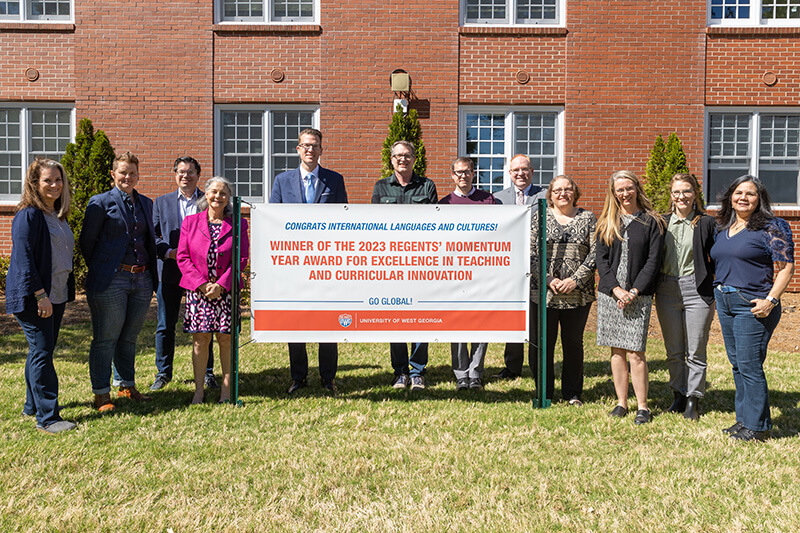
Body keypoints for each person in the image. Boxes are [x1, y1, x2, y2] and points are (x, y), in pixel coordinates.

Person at [710, 175, 794, 442]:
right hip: (725, 300)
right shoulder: (723, 227)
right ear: (730, 197)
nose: (743, 198)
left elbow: (786, 267)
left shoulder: (771, 227)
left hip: (754, 304)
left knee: (749, 364)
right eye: (738, 193)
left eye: (750, 194)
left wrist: (771, 300)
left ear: (760, 199)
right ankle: (744, 420)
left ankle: (758, 428)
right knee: (737, 364)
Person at [270, 128, 347, 394]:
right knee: (297, 321)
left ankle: (328, 378)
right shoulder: (282, 181)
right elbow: (273, 222)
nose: (310, 150)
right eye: (305, 145)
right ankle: (298, 377)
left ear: (321, 150)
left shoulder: (334, 181)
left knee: (328, 321)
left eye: (314, 145)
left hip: (327, 263)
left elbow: (343, 221)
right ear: (297, 149)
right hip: (293, 263)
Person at [80, 152, 158, 412]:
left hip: (142, 279)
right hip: (111, 279)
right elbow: (87, 243)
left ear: (138, 175)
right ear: (113, 174)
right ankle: (101, 393)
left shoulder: (146, 203)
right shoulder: (100, 202)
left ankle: (126, 384)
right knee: (106, 338)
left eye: (133, 173)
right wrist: (106, 269)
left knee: (129, 337)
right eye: (123, 172)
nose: (128, 177)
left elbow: (150, 241)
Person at [5, 159, 77, 433]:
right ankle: (48, 418)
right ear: (34, 183)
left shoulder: (56, 214)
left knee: (39, 351)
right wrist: (40, 295)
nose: (55, 185)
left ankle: (31, 406)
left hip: (55, 294)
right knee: (42, 353)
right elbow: (23, 259)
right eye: (48, 180)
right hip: (34, 296)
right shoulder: (29, 215)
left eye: (59, 180)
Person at [595, 170, 665, 425]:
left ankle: (643, 406)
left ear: (637, 188)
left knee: (636, 352)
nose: (625, 193)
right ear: (613, 193)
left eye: (629, 188)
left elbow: (653, 262)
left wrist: (633, 292)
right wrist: (615, 290)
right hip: (611, 296)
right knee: (617, 351)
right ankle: (621, 402)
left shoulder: (652, 222)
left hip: (639, 295)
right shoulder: (606, 222)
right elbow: (601, 262)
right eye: (619, 190)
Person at [371, 140, 437, 391]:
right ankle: (400, 371)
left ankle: (418, 370)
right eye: (398, 156)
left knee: (421, 314)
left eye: (407, 155)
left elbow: (435, 224)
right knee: (396, 316)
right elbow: (374, 225)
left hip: (421, 263)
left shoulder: (427, 186)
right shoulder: (380, 187)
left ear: (414, 159)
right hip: (392, 264)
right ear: (391, 160)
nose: (403, 160)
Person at [177, 176, 249, 404]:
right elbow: (183, 257)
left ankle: (226, 391)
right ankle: (199, 390)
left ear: (228, 198)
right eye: (214, 192)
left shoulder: (238, 223)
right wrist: (202, 284)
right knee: (200, 339)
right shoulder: (190, 222)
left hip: (226, 292)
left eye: (223, 193)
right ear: (206, 194)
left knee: (226, 339)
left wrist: (221, 285)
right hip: (199, 293)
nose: (218, 196)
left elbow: (242, 257)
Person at [150, 156, 217, 392]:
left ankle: (208, 373)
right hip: (169, 272)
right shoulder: (161, 202)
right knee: (165, 324)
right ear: (174, 174)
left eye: (190, 172)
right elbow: (154, 236)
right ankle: (163, 373)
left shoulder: (208, 200)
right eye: (180, 172)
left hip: (200, 275)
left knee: (204, 325)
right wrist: (169, 252)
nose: (185, 176)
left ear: (198, 175)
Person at [530, 175, 596, 406]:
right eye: (557, 190)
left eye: (568, 189)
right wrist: (548, 279)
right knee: (542, 344)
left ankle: (572, 393)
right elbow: (529, 253)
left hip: (577, 294)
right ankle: (544, 392)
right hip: (544, 293)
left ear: (574, 193)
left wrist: (575, 280)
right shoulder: (539, 217)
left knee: (573, 344)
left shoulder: (587, 218)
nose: (563, 194)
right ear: (550, 194)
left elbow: (595, 253)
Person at [654, 173, 716, 421]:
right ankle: (678, 394)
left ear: (695, 195)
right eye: (677, 192)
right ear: (671, 196)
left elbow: (718, 255)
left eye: (686, 191)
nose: (681, 196)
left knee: (695, 349)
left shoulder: (706, 223)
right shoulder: (661, 222)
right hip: (666, 289)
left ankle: (693, 398)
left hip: (697, 289)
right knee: (674, 349)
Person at [439, 157, 495, 391]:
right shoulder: (444, 203)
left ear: (474, 174)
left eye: (467, 172)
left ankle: (476, 373)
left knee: (481, 324)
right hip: (454, 274)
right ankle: (461, 373)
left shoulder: (488, 200)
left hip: (483, 271)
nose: (463, 176)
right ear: (452, 175)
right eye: (459, 172)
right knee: (459, 323)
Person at [491, 154, 547, 380]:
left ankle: (537, 366)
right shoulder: (497, 198)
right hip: (509, 265)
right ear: (509, 174)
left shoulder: (544, 195)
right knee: (513, 315)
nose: (520, 174)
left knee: (535, 319)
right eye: (516, 170)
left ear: (532, 172)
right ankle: (512, 366)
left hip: (536, 264)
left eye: (525, 170)